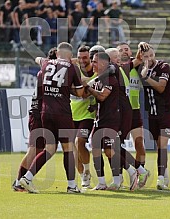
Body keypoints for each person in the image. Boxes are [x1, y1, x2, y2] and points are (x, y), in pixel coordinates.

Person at [19, 42, 84, 194]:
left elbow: (38, 59)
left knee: (49, 148)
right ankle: (72, 186)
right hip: (63, 113)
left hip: (45, 113)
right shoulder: (72, 68)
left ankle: (27, 177)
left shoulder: (46, 63)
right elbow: (80, 94)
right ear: (70, 55)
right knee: (68, 148)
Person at [82, 52, 139, 191]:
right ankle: (102, 182)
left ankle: (132, 172)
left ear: (102, 63)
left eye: (95, 62)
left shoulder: (111, 79)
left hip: (111, 120)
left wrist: (88, 87)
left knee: (110, 151)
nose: (92, 64)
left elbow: (102, 96)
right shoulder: (100, 78)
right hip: (100, 119)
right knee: (96, 149)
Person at [12, 47, 57, 192]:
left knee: (37, 149)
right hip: (38, 114)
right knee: (34, 150)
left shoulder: (44, 72)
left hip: (37, 113)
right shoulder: (46, 74)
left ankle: (20, 181)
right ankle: (19, 181)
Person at [105, 47, 149, 189]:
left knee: (113, 146)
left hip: (122, 114)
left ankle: (138, 171)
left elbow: (138, 59)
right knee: (111, 147)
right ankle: (120, 179)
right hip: (117, 113)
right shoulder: (119, 69)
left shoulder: (118, 69)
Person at [138, 43, 170, 190]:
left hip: (167, 111)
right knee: (157, 146)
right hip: (152, 112)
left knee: (162, 143)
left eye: (151, 55)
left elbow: (161, 87)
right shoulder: (140, 68)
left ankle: (160, 179)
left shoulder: (163, 66)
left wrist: (146, 77)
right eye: (146, 56)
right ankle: (165, 173)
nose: (149, 59)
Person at [70, 45, 97, 188]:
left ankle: (86, 171)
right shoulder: (73, 69)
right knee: (72, 148)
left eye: (85, 57)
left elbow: (87, 90)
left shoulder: (97, 71)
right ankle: (82, 176)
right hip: (71, 113)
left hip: (88, 114)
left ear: (91, 58)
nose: (82, 60)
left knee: (79, 141)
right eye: (79, 57)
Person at [117, 42, 146, 170]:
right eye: (121, 50)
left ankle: (141, 171)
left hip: (134, 110)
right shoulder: (118, 68)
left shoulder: (138, 68)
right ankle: (119, 175)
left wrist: (141, 47)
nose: (124, 51)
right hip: (120, 112)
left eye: (126, 49)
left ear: (130, 53)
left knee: (139, 143)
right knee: (118, 145)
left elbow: (142, 59)